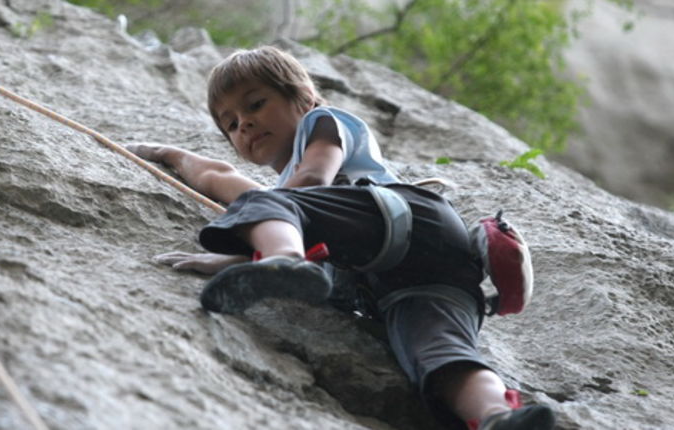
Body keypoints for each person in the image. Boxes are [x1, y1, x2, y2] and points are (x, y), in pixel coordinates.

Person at [126, 46, 554, 430]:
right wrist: (168, 154)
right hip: (418, 279)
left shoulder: (324, 124)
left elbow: (313, 178)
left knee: (265, 203)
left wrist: (259, 249)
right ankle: (497, 415)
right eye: (232, 124)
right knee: (438, 354)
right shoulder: (289, 200)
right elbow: (221, 177)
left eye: (256, 104)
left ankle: (283, 259)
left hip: (407, 216)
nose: (246, 123)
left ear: (303, 99)